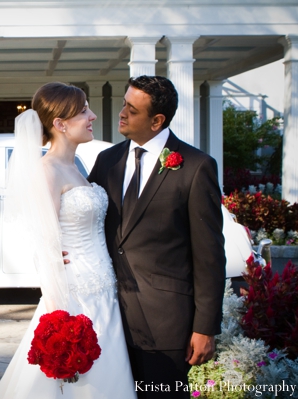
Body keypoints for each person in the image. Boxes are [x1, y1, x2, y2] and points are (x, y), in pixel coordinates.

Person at [0, 82, 137, 398]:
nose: (92, 116)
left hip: (105, 288)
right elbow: (44, 246)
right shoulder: (46, 171)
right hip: (77, 295)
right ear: (59, 124)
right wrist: (59, 318)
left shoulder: (76, 167)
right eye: (84, 110)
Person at [87, 76, 226, 398]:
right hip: (109, 316)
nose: (121, 113)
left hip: (165, 321)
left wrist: (205, 327)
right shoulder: (107, 161)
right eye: (124, 103)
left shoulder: (195, 166)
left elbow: (209, 254)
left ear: (157, 120)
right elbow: (92, 223)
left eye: (131, 110)